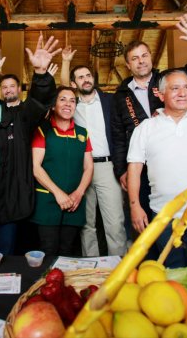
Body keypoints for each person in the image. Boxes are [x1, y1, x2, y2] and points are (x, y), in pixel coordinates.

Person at [111, 13, 187, 239]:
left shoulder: (172, 79)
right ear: (127, 64)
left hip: (173, 163)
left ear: (151, 57)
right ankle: (151, 266)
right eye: (134, 58)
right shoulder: (120, 94)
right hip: (139, 167)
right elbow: (118, 135)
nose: (141, 61)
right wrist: (121, 169)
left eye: (144, 55)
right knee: (145, 225)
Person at [0, 33, 59, 255]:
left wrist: (41, 73)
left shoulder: (17, 117)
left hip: (8, 189)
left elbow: (39, 102)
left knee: (4, 249)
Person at [127, 70, 187, 268]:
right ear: (160, 95)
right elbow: (134, 169)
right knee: (169, 275)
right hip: (163, 215)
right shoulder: (145, 127)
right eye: (175, 88)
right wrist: (135, 206)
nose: (183, 93)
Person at [59, 61, 128, 257]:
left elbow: (121, 133)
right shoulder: (70, 105)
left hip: (108, 166)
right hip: (80, 169)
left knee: (115, 222)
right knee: (86, 223)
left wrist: (123, 166)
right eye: (80, 77)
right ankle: (91, 267)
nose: (86, 79)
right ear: (74, 83)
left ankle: (120, 269)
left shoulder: (110, 100)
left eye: (88, 75)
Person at [31, 86, 94, 256]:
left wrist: (79, 193)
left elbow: (88, 167)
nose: (68, 104)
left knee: (69, 251)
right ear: (53, 105)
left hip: (75, 203)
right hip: (48, 202)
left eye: (72, 100)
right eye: (63, 99)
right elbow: (36, 167)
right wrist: (58, 194)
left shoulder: (83, 133)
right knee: (48, 250)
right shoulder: (41, 131)